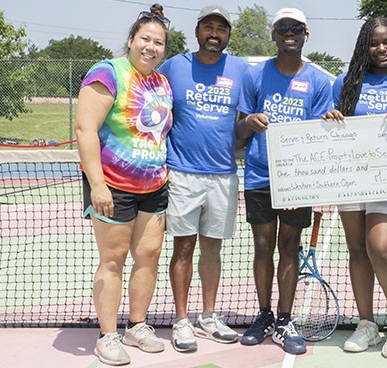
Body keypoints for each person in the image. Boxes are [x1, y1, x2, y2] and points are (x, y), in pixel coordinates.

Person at [322, 17, 387, 359]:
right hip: (351, 178)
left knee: (379, 246)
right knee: (356, 250)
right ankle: (366, 323)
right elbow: (327, 125)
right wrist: (331, 118)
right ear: (363, 46)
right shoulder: (343, 81)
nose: (382, 49)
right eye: (374, 43)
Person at [75, 3, 173, 366]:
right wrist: (97, 184)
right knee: (112, 261)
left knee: (148, 257)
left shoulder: (161, 82)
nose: (151, 46)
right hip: (113, 187)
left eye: (159, 42)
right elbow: (85, 129)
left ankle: (137, 325)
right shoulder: (108, 72)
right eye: (145, 38)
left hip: (154, 188)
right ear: (131, 40)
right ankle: (107, 335)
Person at [235, 8, 332, 355]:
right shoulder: (255, 76)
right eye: (282, 28)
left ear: (305, 34)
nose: (288, 33)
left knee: (289, 247)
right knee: (263, 247)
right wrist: (250, 123)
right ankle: (263, 315)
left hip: (298, 180)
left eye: (295, 28)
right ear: (273, 35)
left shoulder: (320, 81)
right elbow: (239, 131)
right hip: (259, 175)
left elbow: (323, 135)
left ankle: (285, 320)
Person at [158, 4, 249, 353]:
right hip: (181, 174)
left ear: (228, 35)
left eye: (221, 29)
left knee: (213, 248)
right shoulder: (173, 67)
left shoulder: (241, 70)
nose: (214, 33)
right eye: (208, 27)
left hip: (224, 176)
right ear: (197, 31)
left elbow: (249, 117)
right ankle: (182, 320)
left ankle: (208, 316)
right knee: (183, 247)